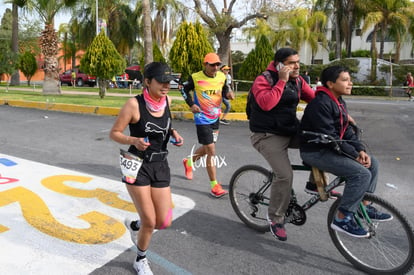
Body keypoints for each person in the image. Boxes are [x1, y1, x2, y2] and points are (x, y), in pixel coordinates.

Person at [109, 62, 184, 275]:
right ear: (147, 81)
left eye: (168, 82)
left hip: (160, 164)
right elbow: (114, 133)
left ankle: (139, 223)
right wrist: (134, 139)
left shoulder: (167, 100)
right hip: (137, 164)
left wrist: (173, 134)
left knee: (163, 221)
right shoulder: (134, 105)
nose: (166, 86)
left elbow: (165, 125)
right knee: (152, 221)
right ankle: (140, 259)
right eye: (161, 81)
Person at [300, 65, 391, 238]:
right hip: (315, 151)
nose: (350, 83)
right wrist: (355, 155)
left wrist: (360, 150)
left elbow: (346, 131)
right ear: (330, 83)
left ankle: (363, 205)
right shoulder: (320, 104)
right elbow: (332, 136)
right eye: (345, 80)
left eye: (349, 80)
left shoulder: (338, 101)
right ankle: (342, 218)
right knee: (360, 174)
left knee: (373, 163)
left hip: (331, 147)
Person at [248, 47, 315, 241]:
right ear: (279, 65)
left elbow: (314, 99)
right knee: (285, 175)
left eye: (298, 62)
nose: (297, 66)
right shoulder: (264, 80)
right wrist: (282, 81)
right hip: (266, 135)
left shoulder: (299, 81)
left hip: (289, 130)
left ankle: (314, 182)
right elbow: (266, 103)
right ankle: (276, 218)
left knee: (319, 141)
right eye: (291, 63)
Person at [181, 53, 235, 197]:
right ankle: (214, 185)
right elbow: (183, 89)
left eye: (217, 64)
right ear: (205, 64)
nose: (215, 67)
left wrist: (228, 94)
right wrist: (191, 104)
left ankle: (189, 162)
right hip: (201, 118)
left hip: (215, 117)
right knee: (211, 151)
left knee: (207, 148)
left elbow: (224, 89)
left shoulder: (221, 77)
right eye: (212, 65)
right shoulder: (195, 77)